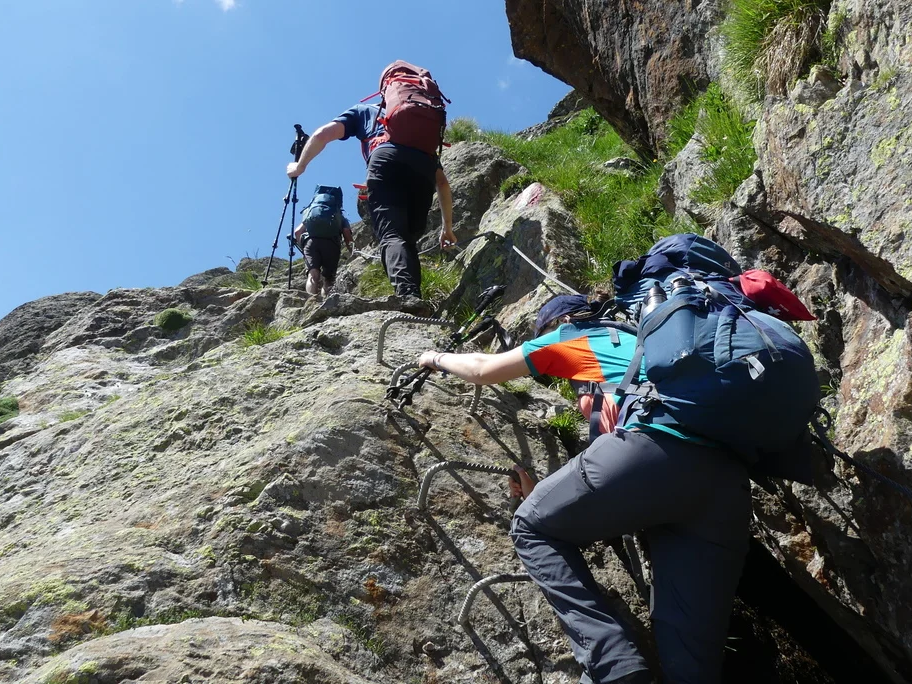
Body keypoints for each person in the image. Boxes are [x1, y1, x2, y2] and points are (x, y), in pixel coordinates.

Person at [416, 294, 751, 684]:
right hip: (727, 482)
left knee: (531, 526)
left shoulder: (576, 336)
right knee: (689, 664)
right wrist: (551, 491)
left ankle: (615, 668)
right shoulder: (648, 340)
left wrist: (434, 358)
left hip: (651, 451)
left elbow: (481, 368)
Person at [286, 63, 455, 299]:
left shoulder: (364, 111)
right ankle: (414, 296)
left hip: (386, 160)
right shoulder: (422, 127)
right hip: (424, 166)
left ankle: (409, 297)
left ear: (384, 88)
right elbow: (443, 184)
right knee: (407, 239)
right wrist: (447, 228)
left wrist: (300, 166)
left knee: (393, 236)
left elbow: (322, 134)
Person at [293, 216, 353, 298]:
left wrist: (304, 249)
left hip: (311, 242)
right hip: (331, 243)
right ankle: (326, 303)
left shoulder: (312, 214)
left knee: (313, 275)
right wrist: (352, 250)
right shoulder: (340, 216)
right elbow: (346, 232)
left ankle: (311, 303)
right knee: (328, 278)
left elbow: (297, 232)